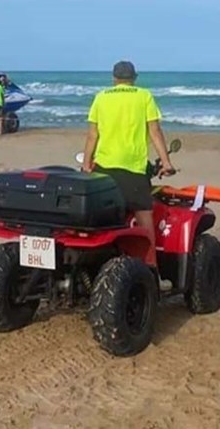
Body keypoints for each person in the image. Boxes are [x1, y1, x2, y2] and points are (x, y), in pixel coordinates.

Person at [81, 61, 175, 287]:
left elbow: (93, 135)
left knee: (105, 219)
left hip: (104, 169)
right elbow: (154, 131)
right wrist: (166, 162)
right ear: (135, 77)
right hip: (133, 169)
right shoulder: (144, 96)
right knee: (145, 221)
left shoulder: (101, 97)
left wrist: (86, 163)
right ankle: (152, 273)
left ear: (114, 78)